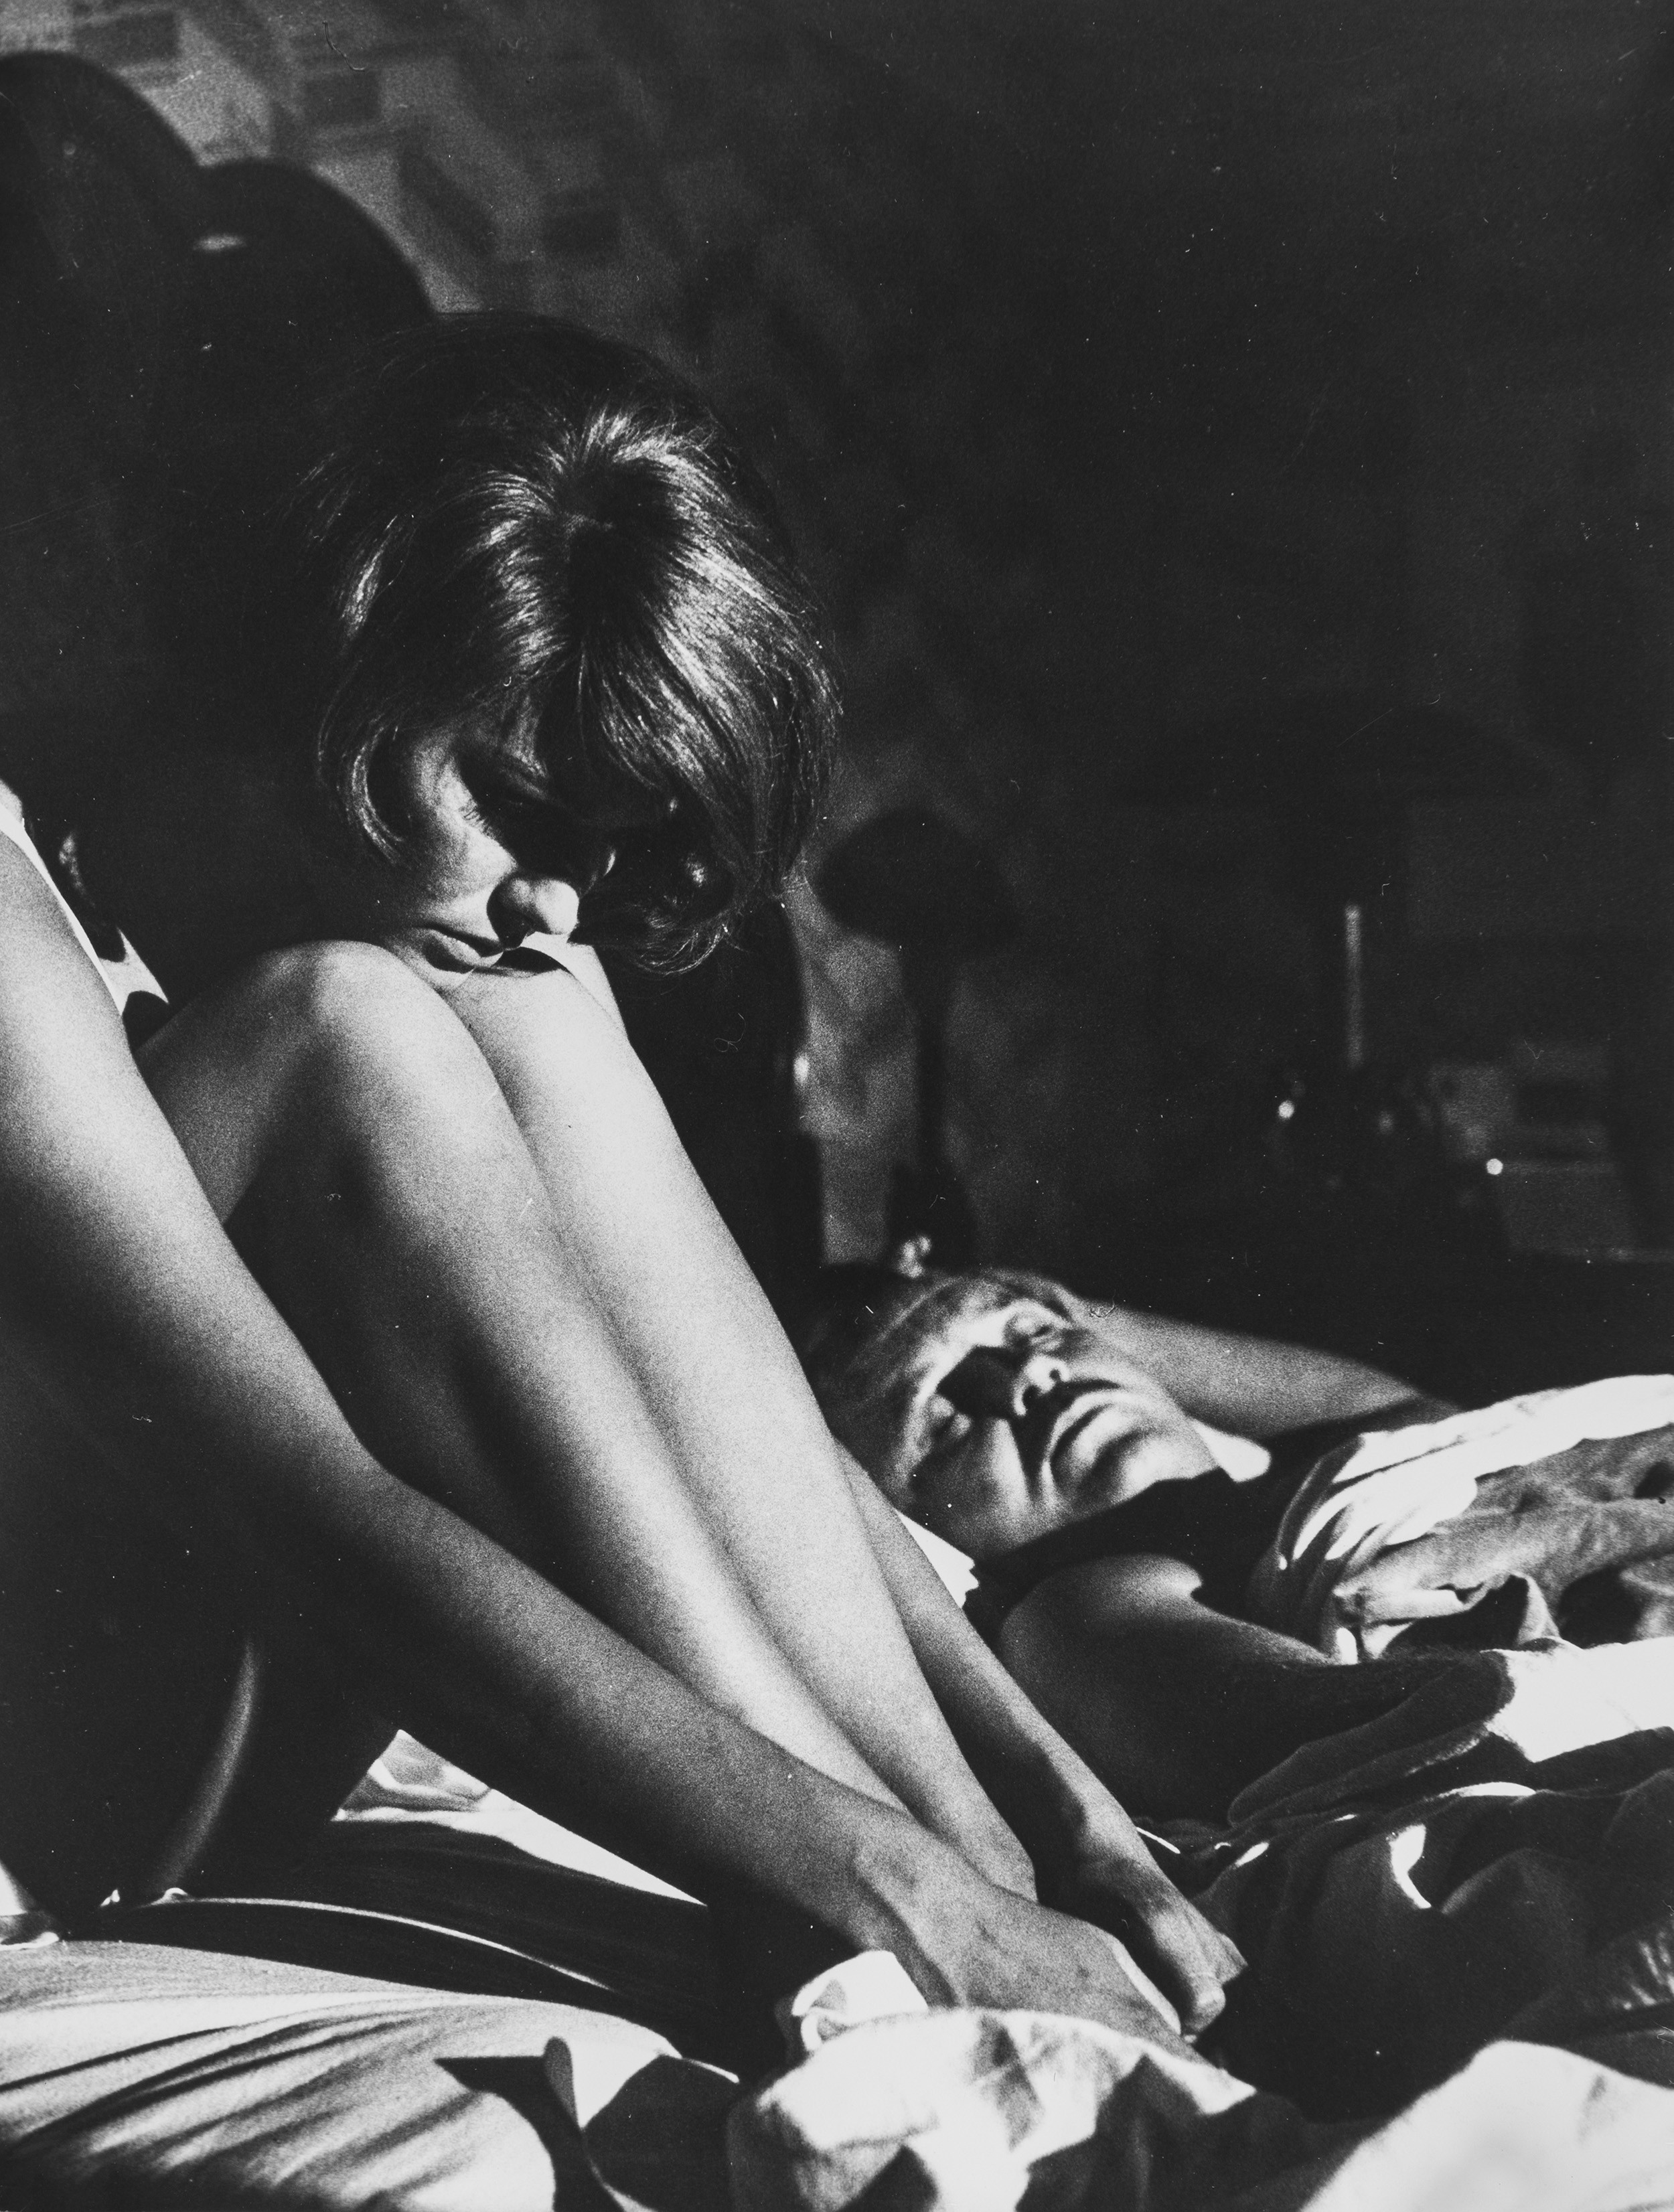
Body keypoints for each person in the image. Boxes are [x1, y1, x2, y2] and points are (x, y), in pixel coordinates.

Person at [0, 315, 1239, 2196]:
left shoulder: (466, 945)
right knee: (351, 1027)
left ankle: (926, 1869)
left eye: (601, 837)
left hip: (194, 1723)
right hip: (49, 1771)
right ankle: (858, 1906)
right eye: (515, 801)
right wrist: (879, 1884)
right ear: (326, 670)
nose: (555, 888)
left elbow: (740, 1419)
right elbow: (311, 1517)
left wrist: (1055, 1824)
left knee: (531, 1002)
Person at [797, 1251, 1485, 1816]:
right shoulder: (1078, 1613)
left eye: (1033, 1336)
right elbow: (1422, 1730)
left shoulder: (1323, 1474)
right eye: (946, 1420)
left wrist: (1079, 1317)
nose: (1029, 1376)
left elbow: (1424, 1414)